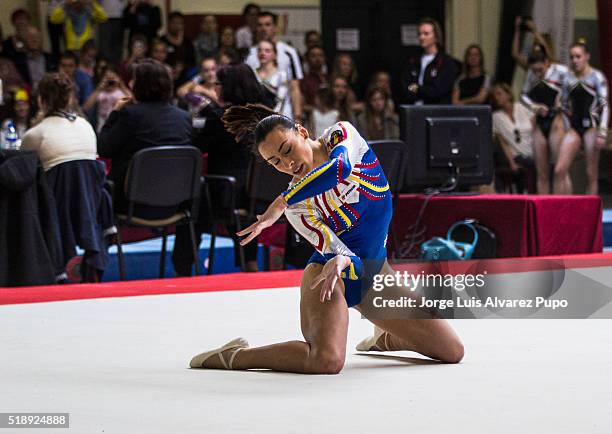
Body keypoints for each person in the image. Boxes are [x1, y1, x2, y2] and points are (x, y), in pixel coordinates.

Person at [189, 104, 464, 373]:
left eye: (287, 149)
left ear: (302, 131)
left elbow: (340, 169)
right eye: (276, 163)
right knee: (325, 361)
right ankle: (234, 356)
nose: (288, 164)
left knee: (451, 351)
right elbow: (334, 251)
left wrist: (282, 201)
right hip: (328, 277)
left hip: (374, 273)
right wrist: (339, 257)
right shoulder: (298, 206)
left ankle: (387, 336)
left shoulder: (340, 135)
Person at [172, 63, 266, 275]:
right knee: (238, 200)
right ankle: (249, 261)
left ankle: (183, 266)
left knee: (192, 200)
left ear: (228, 87)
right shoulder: (264, 116)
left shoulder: (223, 119)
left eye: (218, 84)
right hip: (258, 194)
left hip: (225, 193)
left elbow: (197, 147)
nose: (215, 88)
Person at [97, 59, 192, 215]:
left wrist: (114, 113)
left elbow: (103, 149)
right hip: (176, 203)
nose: (130, 84)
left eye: (134, 80)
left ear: (142, 85)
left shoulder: (131, 115)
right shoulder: (184, 117)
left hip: (132, 203)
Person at [556, 42, 609, 195]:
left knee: (591, 174)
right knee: (560, 169)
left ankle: (589, 214)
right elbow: (564, 105)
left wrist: (602, 131)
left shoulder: (596, 77)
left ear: (587, 57)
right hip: (574, 127)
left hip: (591, 127)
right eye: (572, 57)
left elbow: (604, 105)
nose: (575, 60)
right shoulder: (568, 78)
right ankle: (563, 209)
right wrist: (567, 126)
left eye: (578, 56)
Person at [21, 72, 97, 171]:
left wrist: (35, 127)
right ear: (70, 99)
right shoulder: (86, 125)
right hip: (89, 186)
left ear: (40, 100)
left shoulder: (35, 134)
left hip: (52, 186)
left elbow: (22, 173)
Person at [520, 50, 568, 194]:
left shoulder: (560, 71)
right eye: (535, 71)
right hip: (541, 119)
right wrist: (534, 106)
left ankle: (566, 209)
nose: (538, 74)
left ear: (547, 62)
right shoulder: (531, 73)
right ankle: (544, 211)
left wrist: (563, 101)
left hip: (557, 118)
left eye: (540, 70)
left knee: (560, 170)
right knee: (542, 173)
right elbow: (523, 96)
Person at [245, 11, 303, 120]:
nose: (263, 28)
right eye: (260, 25)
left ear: (275, 27)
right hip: (255, 115)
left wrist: (298, 117)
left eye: (267, 24)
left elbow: (295, 88)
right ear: (256, 28)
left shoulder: (289, 52)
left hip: (283, 113)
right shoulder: (249, 54)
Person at [491, 83, 537, 193]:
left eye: (499, 94)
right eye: (494, 96)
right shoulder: (496, 117)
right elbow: (503, 142)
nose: (497, 97)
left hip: (533, 150)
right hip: (516, 155)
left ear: (508, 95)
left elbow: (535, 129)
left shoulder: (521, 107)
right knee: (531, 164)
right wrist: (512, 163)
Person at [401, 17, 457, 105]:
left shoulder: (446, 62)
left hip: (436, 113)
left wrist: (418, 88)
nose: (421, 37)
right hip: (413, 111)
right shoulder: (413, 61)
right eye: (419, 34)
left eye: (426, 34)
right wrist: (422, 90)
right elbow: (405, 89)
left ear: (436, 37)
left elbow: (438, 91)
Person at [83, 65, 131, 132]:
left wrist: (121, 85)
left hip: (118, 128)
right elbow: (86, 107)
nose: (110, 82)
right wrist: (99, 88)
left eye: (112, 78)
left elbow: (133, 102)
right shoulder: (99, 93)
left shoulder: (121, 92)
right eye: (108, 78)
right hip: (101, 129)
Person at [254, 40, 293, 118]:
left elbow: (281, 102)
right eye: (260, 50)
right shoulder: (252, 73)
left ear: (275, 55)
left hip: (276, 118)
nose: (262, 53)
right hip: (255, 118)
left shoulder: (281, 75)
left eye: (267, 51)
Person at [300, 45, 328, 110]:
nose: (317, 59)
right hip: (312, 116)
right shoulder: (304, 80)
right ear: (308, 59)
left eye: (320, 55)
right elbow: (302, 105)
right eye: (313, 56)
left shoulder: (330, 78)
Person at [97, 0, 125, 64]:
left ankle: (116, 68)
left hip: (119, 15)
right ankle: (104, 68)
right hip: (104, 15)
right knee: (104, 45)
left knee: (117, 45)